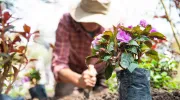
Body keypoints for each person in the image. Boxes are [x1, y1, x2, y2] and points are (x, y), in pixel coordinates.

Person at [51, 0, 120, 98]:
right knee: (65, 95)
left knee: (108, 94)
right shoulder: (66, 22)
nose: (94, 24)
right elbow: (58, 64)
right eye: (90, 19)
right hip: (73, 71)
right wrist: (79, 80)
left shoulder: (111, 27)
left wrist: (92, 68)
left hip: (102, 72)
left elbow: (117, 57)